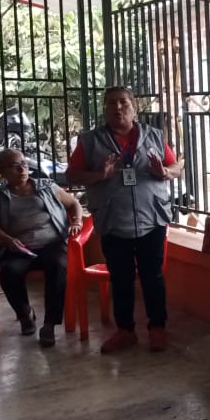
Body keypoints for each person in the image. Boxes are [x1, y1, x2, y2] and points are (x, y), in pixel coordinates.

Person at [67, 85, 183, 354]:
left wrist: (165, 172)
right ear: (104, 109)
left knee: (153, 276)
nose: (117, 108)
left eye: (123, 102)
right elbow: (72, 175)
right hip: (113, 220)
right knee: (120, 278)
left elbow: (176, 166)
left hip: (152, 218)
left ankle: (157, 328)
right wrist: (100, 175)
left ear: (134, 108)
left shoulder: (154, 135)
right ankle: (125, 331)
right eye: (111, 103)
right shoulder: (90, 141)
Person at [0, 148, 83, 347]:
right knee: (9, 272)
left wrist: (76, 221)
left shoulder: (46, 186)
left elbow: (74, 204)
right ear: (2, 172)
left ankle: (49, 325)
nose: (22, 169)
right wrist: (7, 240)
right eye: (15, 166)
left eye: (24, 164)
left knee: (58, 267)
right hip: (19, 249)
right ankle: (25, 314)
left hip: (52, 244)